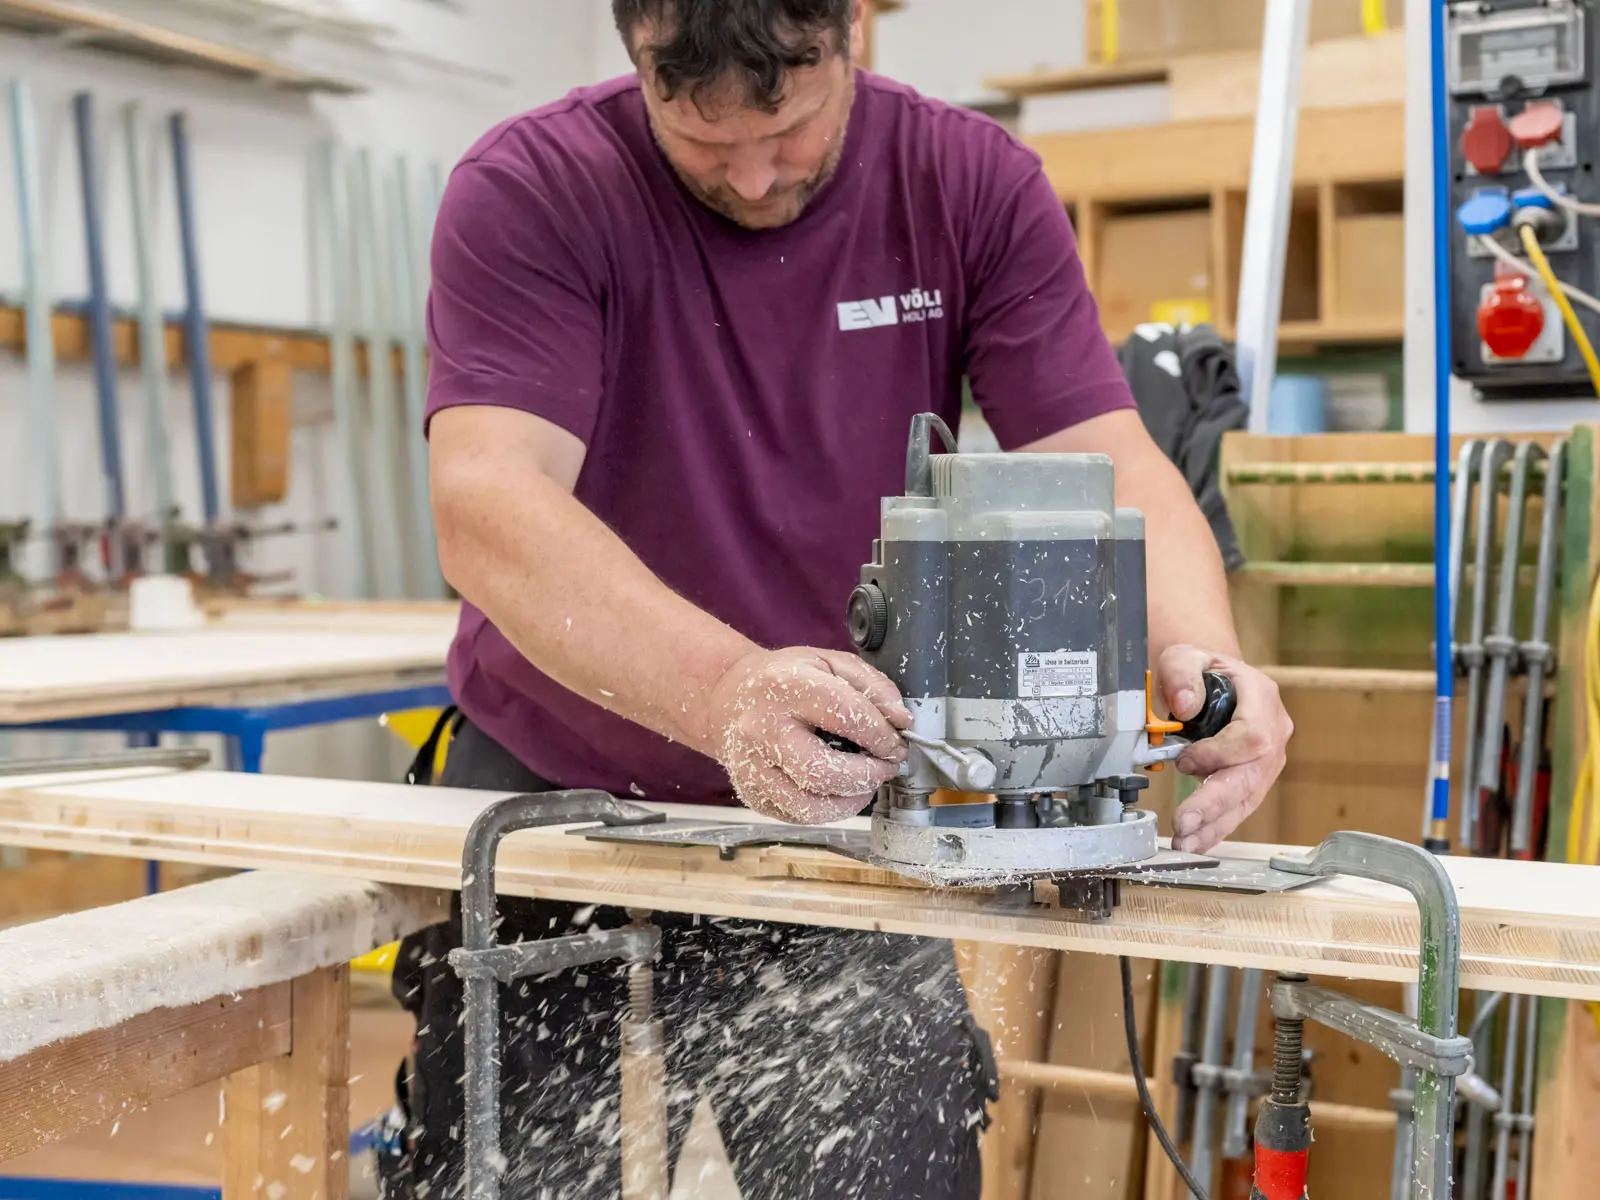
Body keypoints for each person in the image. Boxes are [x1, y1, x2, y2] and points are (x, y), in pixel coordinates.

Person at [382, 0, 1295, 1195]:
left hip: (844, 813)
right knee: (513, 1178)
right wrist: (725, 691)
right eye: (700, 138)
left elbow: (1104, 454)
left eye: (790, 124)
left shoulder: (964, 182)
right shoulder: (535, 188)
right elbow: (489, 507)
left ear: (854, 22)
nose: (755, 175)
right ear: (632, 46)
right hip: (562, 801)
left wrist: (1200, 655)